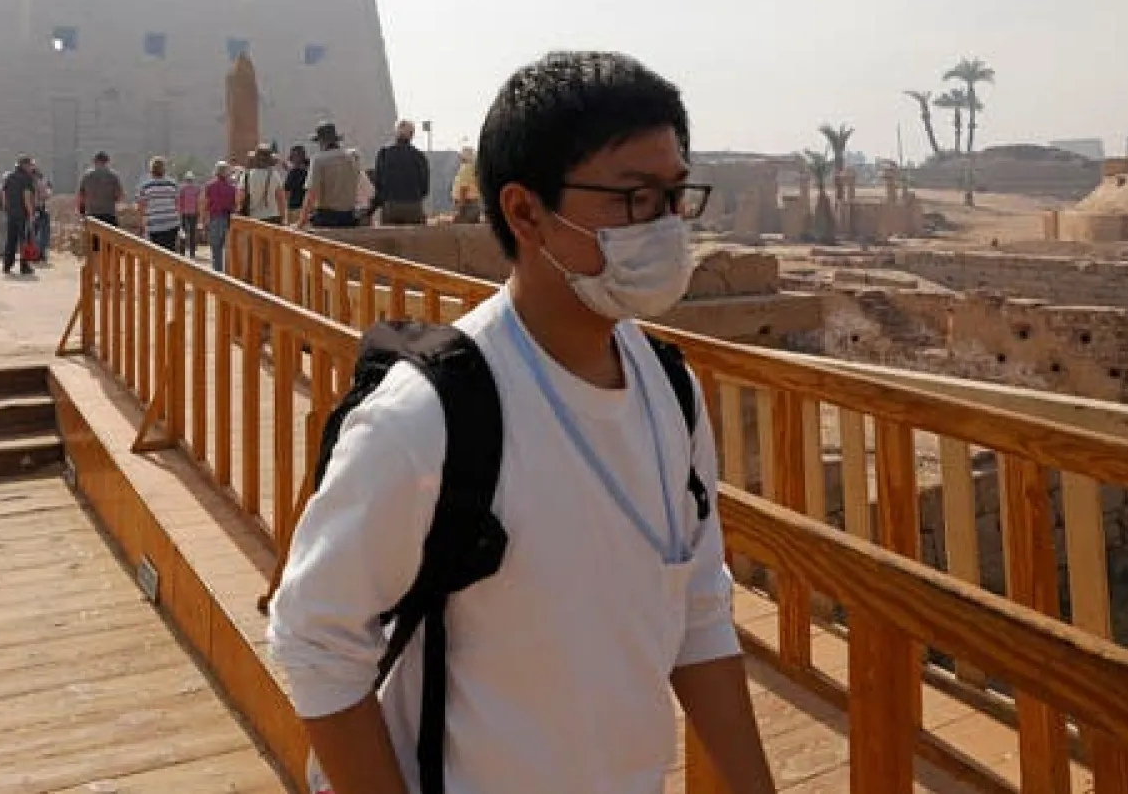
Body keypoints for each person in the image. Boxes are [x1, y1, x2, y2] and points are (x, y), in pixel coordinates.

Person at [268, 50, 773, 794]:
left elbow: (698, 609)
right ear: (525, 210)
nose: (664, 227)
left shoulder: (671, 391)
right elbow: (316, 637)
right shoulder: (427, 418)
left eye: (674, 196)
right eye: (632, 199)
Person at [297, 122, 365, 229]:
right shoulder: (352, 158)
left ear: (321, 142)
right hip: (349, 217)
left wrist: (300, 223)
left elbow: (311, 194)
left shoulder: (319, 160)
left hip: (327, 218)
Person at [373, 120, 430, 225]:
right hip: (414, 206)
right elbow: (425, 187)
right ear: (412, 135)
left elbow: (377, 182)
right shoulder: (419, 156)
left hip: (391, 205)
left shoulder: (384, 153)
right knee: (415, 240)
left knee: (389, 239)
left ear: (396, 133)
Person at [78, 151, 125, 251]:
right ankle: (108, 266)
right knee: (110, 248)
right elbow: (119, 196)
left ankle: (95, 266)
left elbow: (81, 196)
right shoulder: (113, 176)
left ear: (95, 161)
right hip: (109, 215)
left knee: (94, 248)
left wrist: (82, 212)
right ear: (107, 161)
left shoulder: (87, 176)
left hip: (93, 216)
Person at [0, 156, 36, 275]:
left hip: (11, 213)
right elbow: (26, 196)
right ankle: (24, 266)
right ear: (24, 165)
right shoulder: (26, 178)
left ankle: (7, 265)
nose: (32, 167)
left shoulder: (9, 177)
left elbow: (4, 194)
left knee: (11, 239)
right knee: (24, 240)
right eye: (31, 165)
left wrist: (6, 208)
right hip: (22, 213)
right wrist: (30, 213)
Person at [136, 156, 181, 252]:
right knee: (171, 252)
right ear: (164, 169)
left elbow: (141, 207)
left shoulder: (145, 186)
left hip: (154, 224)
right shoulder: (172, 184)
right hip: (171, 223)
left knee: (157, 253)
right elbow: (177, 205)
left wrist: (141, 224)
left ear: (151, 170)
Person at [203, 160, 239, 274]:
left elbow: (205, 203)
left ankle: (217, 273)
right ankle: (228, 273)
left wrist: (203, 220)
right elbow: (236, 204)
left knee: (216, 248)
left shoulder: (210, 186)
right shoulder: (232, 188)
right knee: (228, 248)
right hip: (229, 218)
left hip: (215, 218)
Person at [243, 144, 288, 226]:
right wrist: (283, 218)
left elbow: (240, 197)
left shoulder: (247, 175)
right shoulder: (274, 175)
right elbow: (281, 199)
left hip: (254, 217)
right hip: (273, 217)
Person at [452, 147, 482, 223]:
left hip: (467, 205)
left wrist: (460, 208)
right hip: (472, 204)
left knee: (462, 229)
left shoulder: (466, 169)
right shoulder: (473, 168)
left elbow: (463, 188)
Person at [177, 171, 202, 259]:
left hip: (184, 213)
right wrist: (199, 213)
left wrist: (179, 213)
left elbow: (179, 202)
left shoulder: (182, 189)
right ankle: (192, 253)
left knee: (183, 232)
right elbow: (198, 202)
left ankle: (182, 252)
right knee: (192, 233)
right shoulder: (196, 189)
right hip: (193, 213)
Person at [285, 145, 310, 219]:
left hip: (295, 208)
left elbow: (287, 190)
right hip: (306, 208)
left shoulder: (294, 172)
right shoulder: (309, 171)